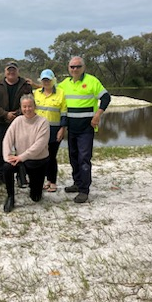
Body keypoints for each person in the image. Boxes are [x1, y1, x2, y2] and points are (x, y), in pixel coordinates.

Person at [58, 56, 111, 203]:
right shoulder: (64, 84)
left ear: (84, 67)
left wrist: (98, 115)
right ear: (68, 68)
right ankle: (77, 183)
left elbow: (106, 97)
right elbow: (52, 91)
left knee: (84, 159)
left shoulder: (92, 81)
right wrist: (36, 85)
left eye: (78, 66)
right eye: (72, 67)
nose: (75, 69)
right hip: (72, 128)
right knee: (73, 157)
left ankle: (84, 191)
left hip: (86, 128)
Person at [2, 94, 50, 213]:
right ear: (21, 107)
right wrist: (7, 156)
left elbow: (39, 145)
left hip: (38, 161)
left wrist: (22, 157)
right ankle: (10, 197)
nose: (27, 109)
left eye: (30, 106)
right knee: (7, 167)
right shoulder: (17, 121)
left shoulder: (43, 122)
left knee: (36, 197)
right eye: (24, 106)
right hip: (20, 160)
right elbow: (7, 139)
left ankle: (34, 188)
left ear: (35, 106)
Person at [0, 61, 32, 186]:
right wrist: (5, 114)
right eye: (9, 69)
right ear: (5, 71)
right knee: (0, 149)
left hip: (21, 122)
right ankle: (0, 175)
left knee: (21, 149)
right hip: (0, 122)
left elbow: (29, 102)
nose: (11, 72)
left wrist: (17, 114)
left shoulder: (25, 85)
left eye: (13, 69)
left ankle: (21, 176)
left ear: (17, 71)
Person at [34, 69, 67, 192]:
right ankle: (42, 180)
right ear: (41, 81)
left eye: (48, 79)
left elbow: (64, 113)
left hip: (54, 130)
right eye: (44, 80)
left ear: (53, 80)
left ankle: (52, 181)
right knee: (40, 156)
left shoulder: (61, 93)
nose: (46, 82)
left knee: (51, 156)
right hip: (39, 130)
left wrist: (62, 129)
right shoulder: (36, 93)